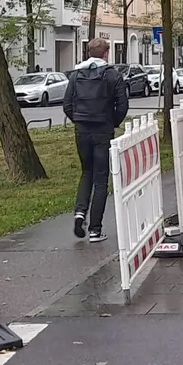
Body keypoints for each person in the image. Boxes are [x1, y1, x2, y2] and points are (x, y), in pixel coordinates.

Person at [63, 37, 128, 243]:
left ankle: (80, 212)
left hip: (81, 131)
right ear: (106, 53)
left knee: (86, 172)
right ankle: (95, 230)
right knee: (101, 179)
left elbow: (67, 104)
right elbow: (123, 105)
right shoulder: (112, 75)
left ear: (88, 52)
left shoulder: (76, 75)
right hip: (103, 131)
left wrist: (79, 120)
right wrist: (111, 123)